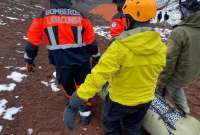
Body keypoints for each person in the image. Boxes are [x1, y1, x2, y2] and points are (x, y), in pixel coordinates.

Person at [64, 0, 167, 134]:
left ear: (129, 19)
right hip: (146, 99)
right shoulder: (161, 46)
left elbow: (98, 76)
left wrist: (76, 100)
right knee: (133, 125)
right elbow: (158, 70)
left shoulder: (119, 47)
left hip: (120, 101)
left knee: (110, 124)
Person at [24, 0, 100, 119]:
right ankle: (85, 113)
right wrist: (96, 57)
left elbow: (32, 44)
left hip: (61, 63)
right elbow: (91, 42)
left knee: (68, 88)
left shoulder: (43, 16)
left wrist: (29, 60)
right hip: (82, 61)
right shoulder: (80, 15)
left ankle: (73, 104)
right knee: (84, 86)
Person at [158, 0, 200, 115]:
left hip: (177, 74)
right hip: (191, 73)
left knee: (165, 90)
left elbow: (169, 60)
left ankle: (178, 112)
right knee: (176, 87)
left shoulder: (180, 32)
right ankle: (182, 109)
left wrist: (162, 79)